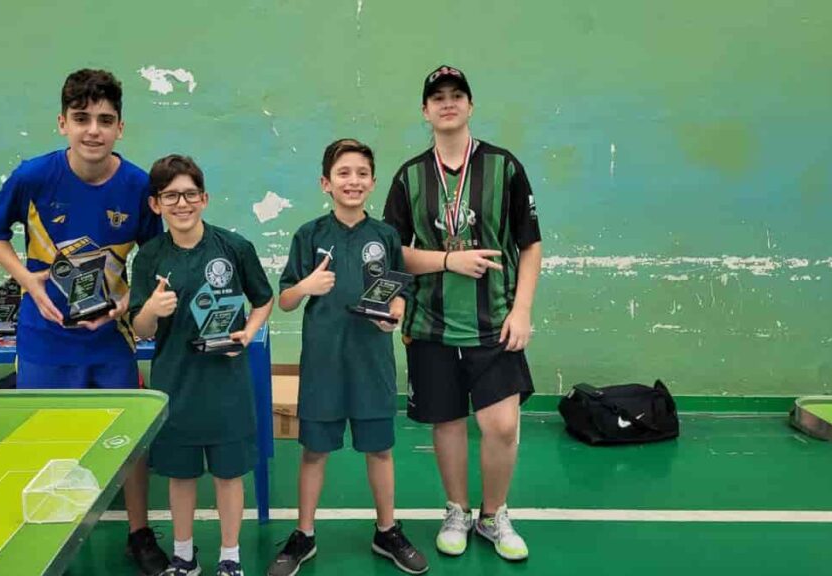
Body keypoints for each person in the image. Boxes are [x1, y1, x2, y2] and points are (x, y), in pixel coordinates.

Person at [0, 68, 168, 574]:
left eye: (105, 120)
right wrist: (28, 279)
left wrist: (129, 299)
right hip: (45, 335)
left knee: (128, 436)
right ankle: (49, 532)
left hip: (111, 337)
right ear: (62, 123)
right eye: (82, 118)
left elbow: (155, 255)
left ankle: (139, 533)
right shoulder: (33, 177)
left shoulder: (138, 186)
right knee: (48, 434)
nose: (93, 130)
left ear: (120, 127)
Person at [382, 65, 543, 562]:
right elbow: (392, 252)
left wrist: (522, 309)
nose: (448, 103)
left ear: (470, 106)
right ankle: (457, 510)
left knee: (501, 425)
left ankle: (493, 515)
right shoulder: (409, 176)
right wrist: (448, 261)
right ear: (425, 111)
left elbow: (530, 244)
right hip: (431, 323)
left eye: (457, 95)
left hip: (494, 322)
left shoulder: (504, 167)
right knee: (447, 422)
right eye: (438, 98)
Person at [268, 139, 429, 575]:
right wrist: (306, 287)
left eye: (361, 173)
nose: (352, 181)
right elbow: (285, 299)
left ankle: (387, 530)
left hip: (371, 363)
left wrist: (393, 316)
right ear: (326, 183)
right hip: (323, 365)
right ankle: (304, 534)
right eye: (343, 173)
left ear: (372, 183)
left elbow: (400, 293)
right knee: (314, 452)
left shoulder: (386, 236)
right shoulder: (309, 235)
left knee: (380, 450)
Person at [129, 154, 274, 576]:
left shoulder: (234, 247)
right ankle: (184, 556)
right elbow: (139, 328)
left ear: (204, 198)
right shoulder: (149, 257)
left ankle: (230, 557)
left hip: (227, 384)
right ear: (156, 204)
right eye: (171, 196)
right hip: (176, 384)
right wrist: (152, 309)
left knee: (229, 476)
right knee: (181, 475)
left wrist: (247, 333)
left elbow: (263, 299)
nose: (182, 203)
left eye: (190, 194)